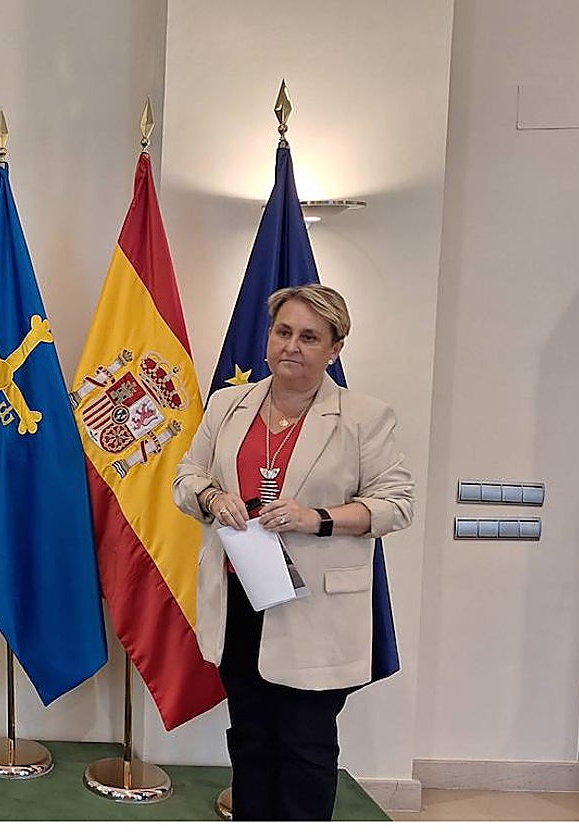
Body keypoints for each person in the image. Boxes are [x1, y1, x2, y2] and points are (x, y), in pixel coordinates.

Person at [172, 285, 414, 821]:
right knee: (251, 736)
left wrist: (319, 519)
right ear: (268, 338)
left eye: (310, 337)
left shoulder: (364, 417)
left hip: (318, 610)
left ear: (335, 348)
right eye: (284, 332)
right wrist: (212, 496)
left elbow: (396, 506)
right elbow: (186, 478)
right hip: (240, 597)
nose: (292, 346)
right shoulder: (226, 405)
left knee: (306, 744)